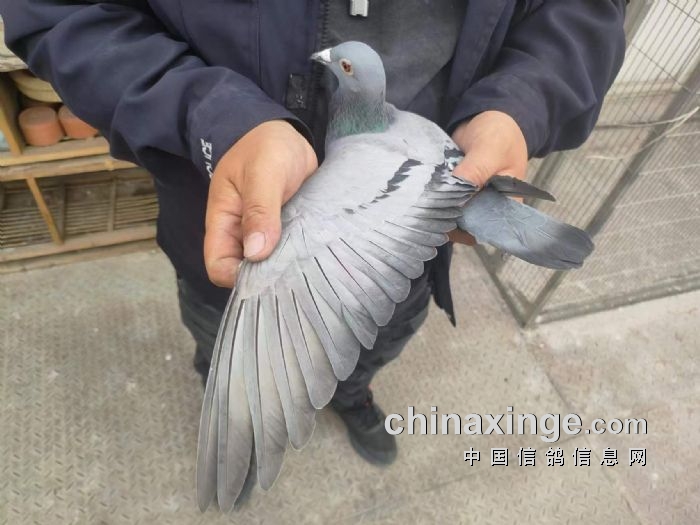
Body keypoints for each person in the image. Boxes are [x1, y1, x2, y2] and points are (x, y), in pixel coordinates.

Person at [0, 1, 626, 466]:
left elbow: (581, 11)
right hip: (231, 231)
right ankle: (243, 413)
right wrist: (217, 118)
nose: (331, 64)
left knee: (367, 341)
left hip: (415, 237)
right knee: (233, 345)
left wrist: (519, 106)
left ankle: (347, 394)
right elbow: (59, 13)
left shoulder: (379, 136)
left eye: (342, 65)